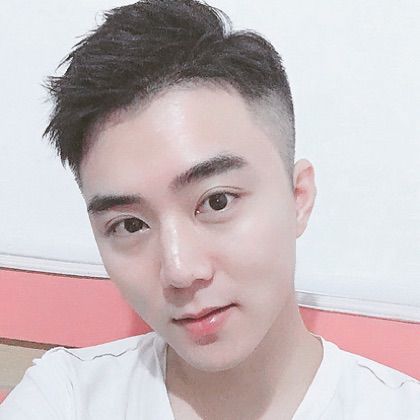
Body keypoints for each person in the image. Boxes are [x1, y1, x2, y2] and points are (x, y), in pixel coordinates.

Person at [1, 1, 419, 419]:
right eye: (129, 225)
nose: (180, 271)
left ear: (298, 197)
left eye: (217, 201)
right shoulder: (67, 399)